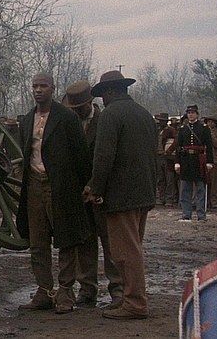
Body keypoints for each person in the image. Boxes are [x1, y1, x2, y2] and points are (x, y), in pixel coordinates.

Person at [82, 70, 156, 320]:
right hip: (143, 193)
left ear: (112, 91)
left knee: (126, 253)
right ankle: (128, 298)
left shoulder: (110, 115)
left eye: (104, 94)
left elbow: (104, 156)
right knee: (134, 247)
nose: (102, 100)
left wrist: (95, 189)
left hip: (121, 196)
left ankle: (135, 303)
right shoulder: (143, 114)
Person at [16, 73, 92, 314]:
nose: (38, 90)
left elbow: (81, 155)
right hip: (34, 186)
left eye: (43, 86)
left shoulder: (67, 118)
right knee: (37, 243)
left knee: (66, 240)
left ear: (52, 89)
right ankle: (44, 291)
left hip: (61, 187)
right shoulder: (27, 120)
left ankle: (66, 292)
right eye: (35, 86)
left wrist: (82, 186)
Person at [62, 80, 122, 309]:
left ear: (90, 103)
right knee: (85, 243)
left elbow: (110, 158)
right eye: (73, 108)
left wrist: (95, 186)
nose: (76, 111)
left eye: (79, 108)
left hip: (102, 192)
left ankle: (117, 290)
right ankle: (87, 290)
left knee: (110, 243)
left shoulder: (104, 120)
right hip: (79, 194)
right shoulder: (69, 124)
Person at [174, 105, 214, 221]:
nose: (190, 115)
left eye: (193, 112)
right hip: (186, 160)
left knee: (200, 189)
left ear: (197, 114)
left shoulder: (203, 128)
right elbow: (178, 147)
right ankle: (186, 214)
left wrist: (209, 162)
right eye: (189, 113)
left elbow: (209, 146)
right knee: (185, 189)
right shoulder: (183, 129)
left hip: (199, 161)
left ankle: (201, 214)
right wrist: (177, 162)